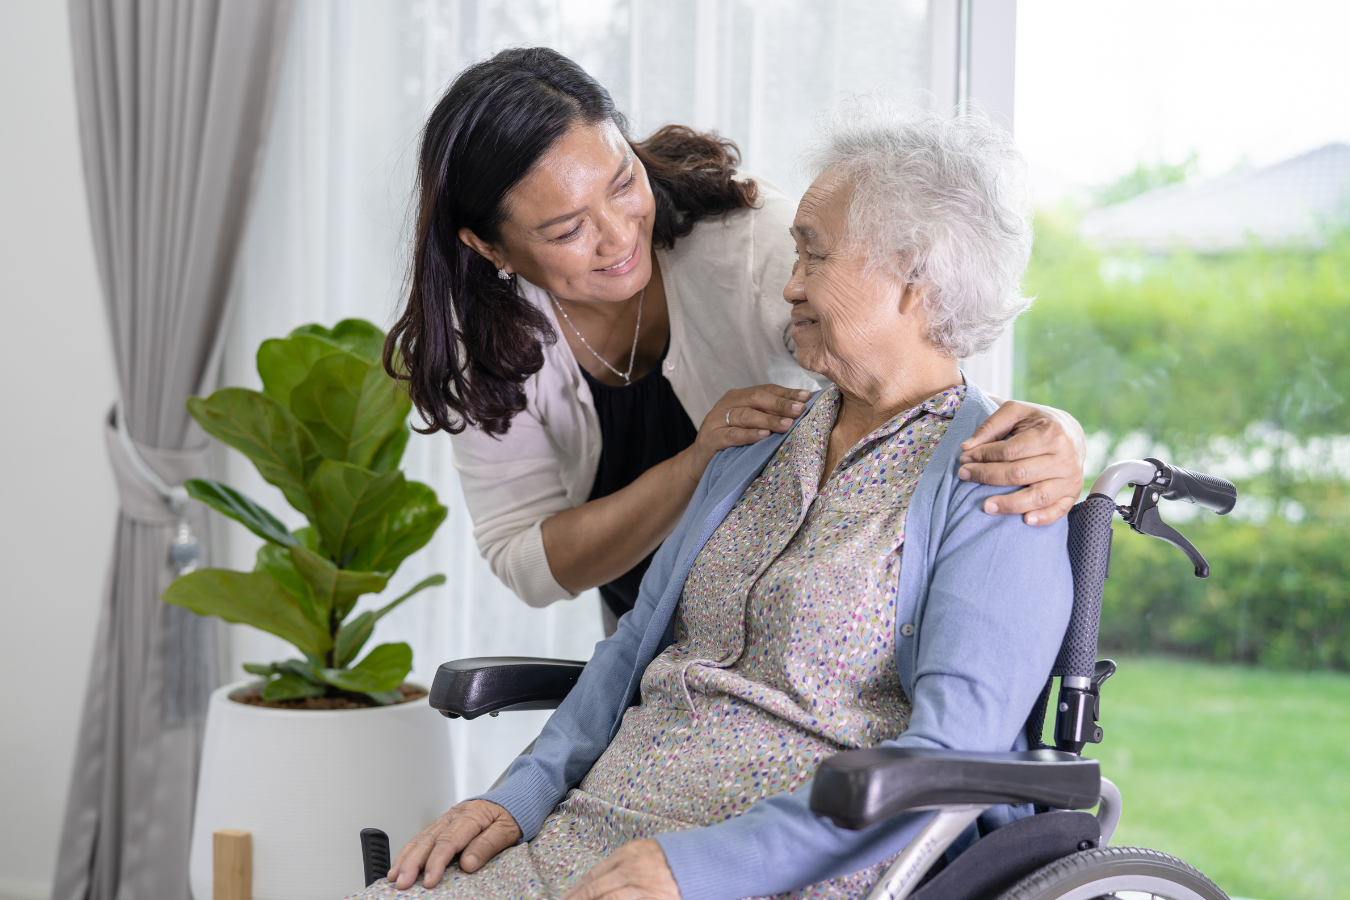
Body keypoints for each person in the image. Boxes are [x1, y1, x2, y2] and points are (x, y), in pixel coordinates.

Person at [358, 99, 1074, 900]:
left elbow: (952, 753)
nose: (790, 283)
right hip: (601, 828)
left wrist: (697, 868)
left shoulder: (996, 486)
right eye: (795, 254)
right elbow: (631, 652)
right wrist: (514, 799)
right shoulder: (756, 440)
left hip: (782, 862)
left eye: (813, 257)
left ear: (915, 280)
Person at [384, 48, 1086, 633]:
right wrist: (695, 467)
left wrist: (1055, 432)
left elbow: (923, 356)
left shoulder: (753, 244)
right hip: (663, 648)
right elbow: (528, 563)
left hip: (796, 632)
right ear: (489, 247)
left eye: (623, 180)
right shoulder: (481, 341)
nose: (620, 234)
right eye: (567, 230)